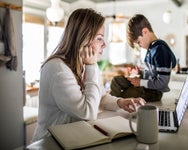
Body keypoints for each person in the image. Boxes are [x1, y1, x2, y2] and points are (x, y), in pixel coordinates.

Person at [32, 8, 145, 142]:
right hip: (50, 143)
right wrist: (92, 67)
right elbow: (87, 113)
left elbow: (100, 97)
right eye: (99, 39)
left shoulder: (85, 64)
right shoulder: (57, 69)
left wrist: (120, 102)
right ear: (83, 39)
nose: (104, 45)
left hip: (72, 138)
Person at [110, 14, 176, 102]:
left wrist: (140, 82)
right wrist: (141, 72)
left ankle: (116, 105)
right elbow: (151, 72)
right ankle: (112, 102)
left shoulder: (160, 50)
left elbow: (162, 83)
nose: (140, 46)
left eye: (139, 42)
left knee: (126, 94)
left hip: (154, 91)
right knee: (116, 81)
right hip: (145, 84)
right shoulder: (151, 49)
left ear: (145, 31)